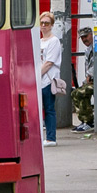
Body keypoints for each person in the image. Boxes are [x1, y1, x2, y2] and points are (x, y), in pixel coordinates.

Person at [38, 12, 62, 147]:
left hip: (48, 79)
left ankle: (51, 138)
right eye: (41, 23)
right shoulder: (39, 41)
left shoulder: (54, 41)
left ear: (52, 25)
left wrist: (36, 75)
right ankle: (43, 136)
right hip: (39, 80)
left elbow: (49, 62)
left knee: (49, 108)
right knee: (39, 109)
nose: (43, 26)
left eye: (46, 23)